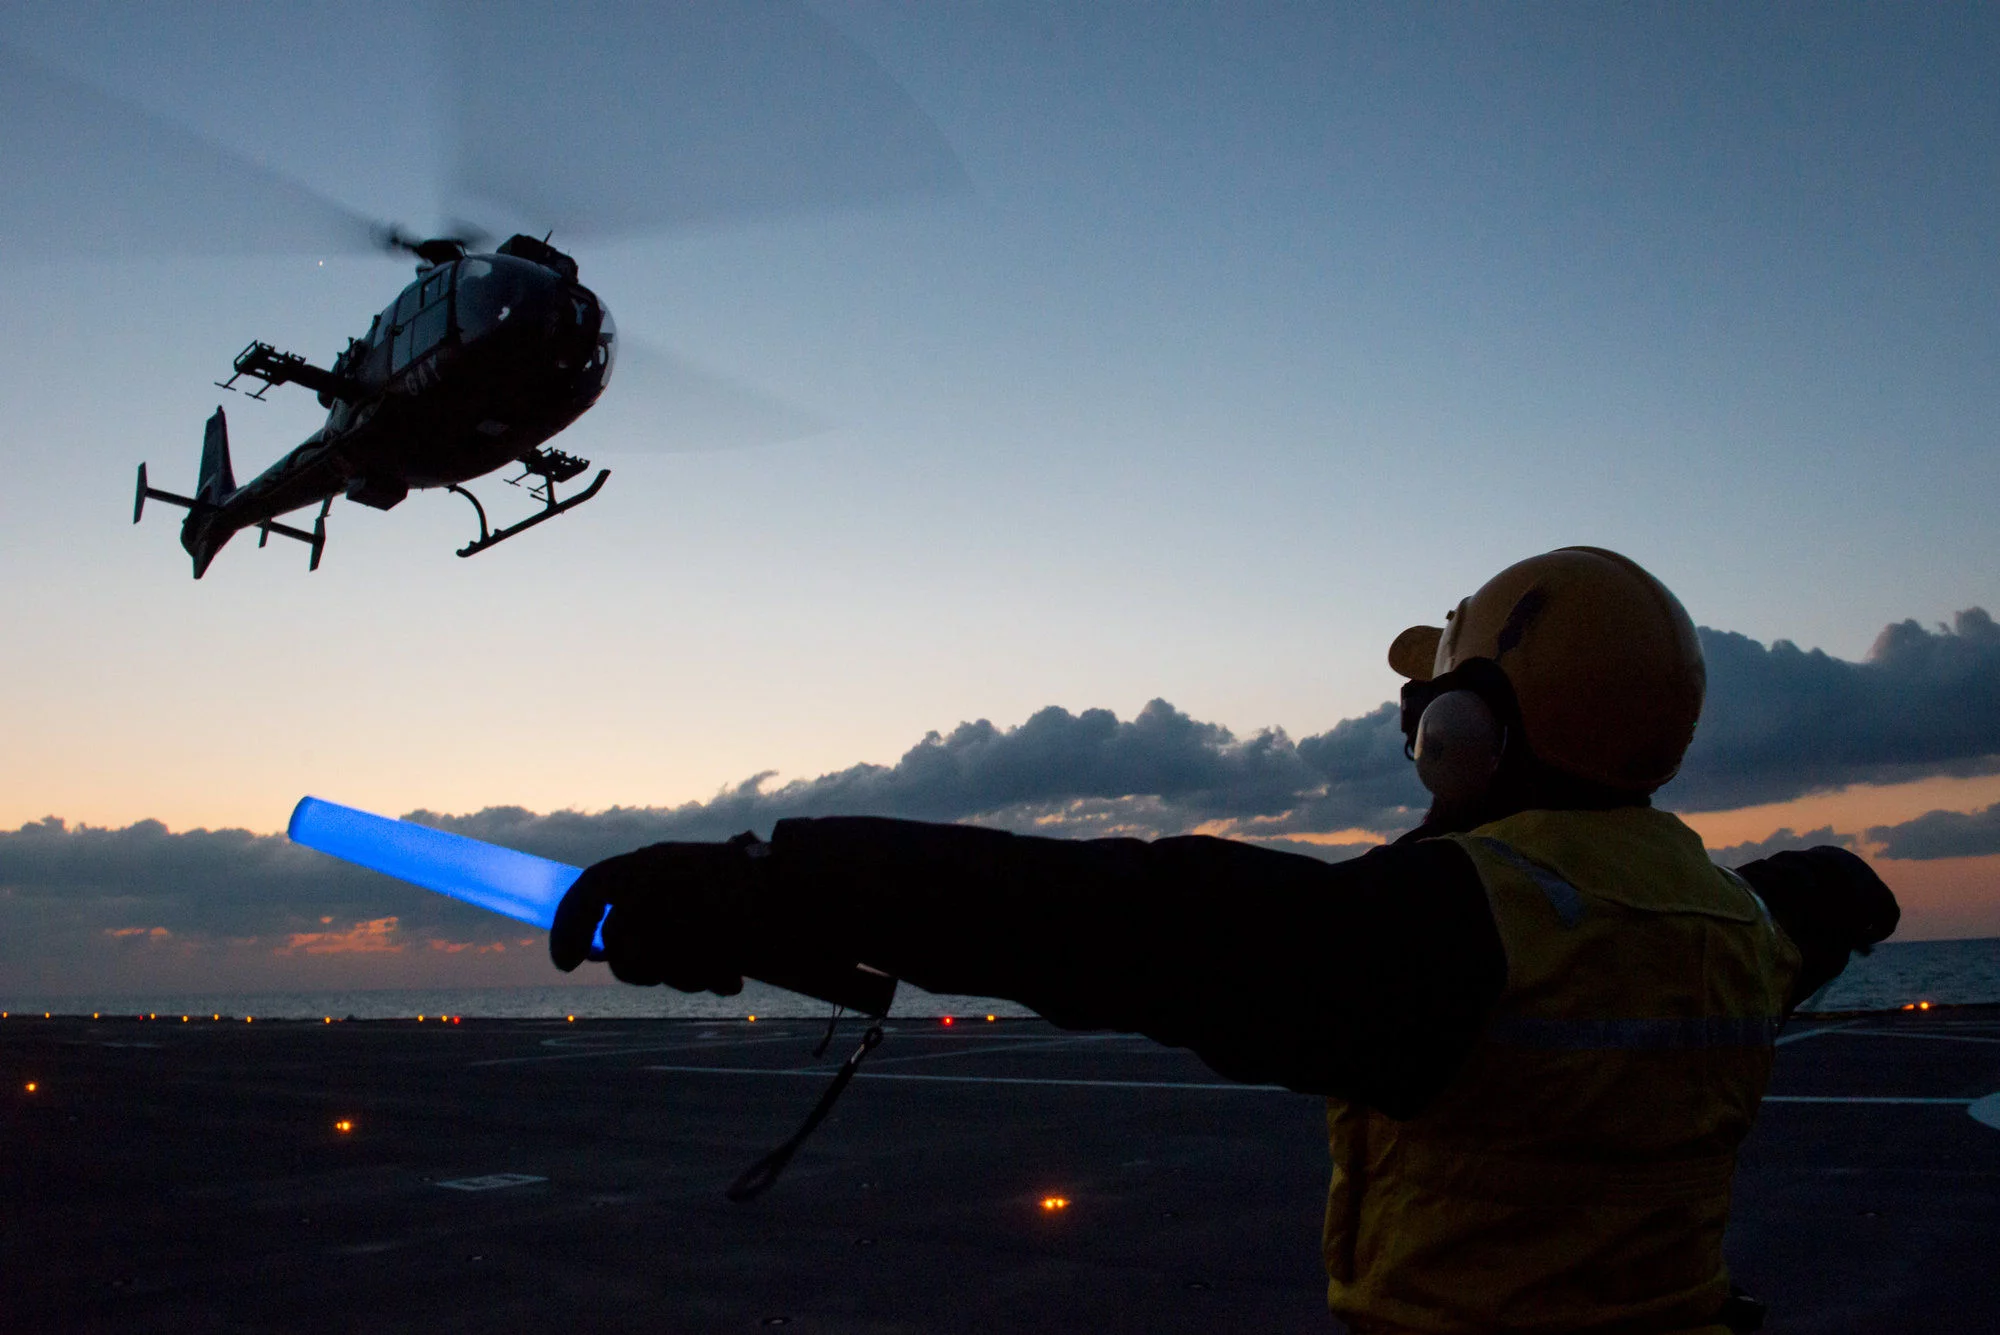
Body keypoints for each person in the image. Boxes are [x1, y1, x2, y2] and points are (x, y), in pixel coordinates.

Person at [550, 546, 1898, 1334]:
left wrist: (766, 885)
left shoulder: (1458, 928)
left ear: (1478, 730)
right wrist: (1837, 880)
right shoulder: (1727, 925)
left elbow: (1111, 920)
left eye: (1431, 716)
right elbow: (1817, 907)